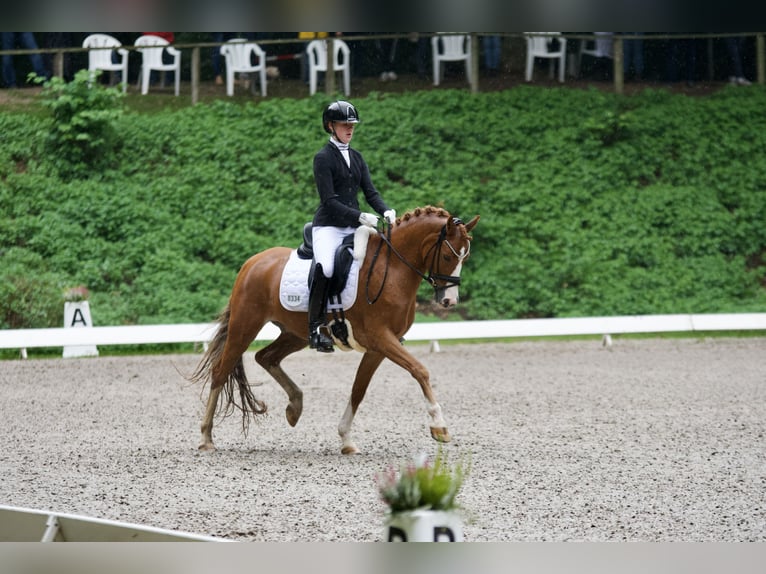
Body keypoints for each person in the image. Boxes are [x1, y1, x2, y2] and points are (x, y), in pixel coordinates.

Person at [308, 100, 396, 352]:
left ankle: (381, 324)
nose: (349, 129)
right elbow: (329, 200)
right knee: (325, 268)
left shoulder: (356, 157)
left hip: (354, 225)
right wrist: (359, 216)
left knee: (378, 261)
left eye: (352, 125)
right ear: (330, 126)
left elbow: (370, 191)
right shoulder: (323, 158)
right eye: (344, 125)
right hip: (329, 227)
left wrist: (385, 210)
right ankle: (315, 328)